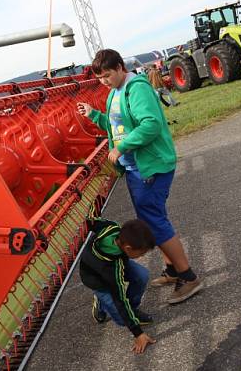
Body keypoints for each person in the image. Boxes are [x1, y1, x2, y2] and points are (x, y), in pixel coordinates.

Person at [77, 49, 202, 305]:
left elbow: (150, 124)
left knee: (155, 222)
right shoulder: (114, 93)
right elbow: (119, 126)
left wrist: (121, 148)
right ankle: (171, 270)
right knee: (154, 219)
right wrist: (94, 115)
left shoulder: (137, 88)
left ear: (121, 67)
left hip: (150, 167)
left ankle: (188, 277)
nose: (104, 81)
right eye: (99, 78)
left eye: (107, 75)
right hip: (137, 169)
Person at [79, 217, 156, 354]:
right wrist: (138, 333)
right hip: (97, 280)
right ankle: (101, 303)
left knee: (141, 276)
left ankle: (131, 310)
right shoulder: (113, 269)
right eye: (141, 253)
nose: (142, 256)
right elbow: (120, 299)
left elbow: (92, 221)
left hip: (112, 264)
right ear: (128, 248)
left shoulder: (113, 228)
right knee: (122, 319)